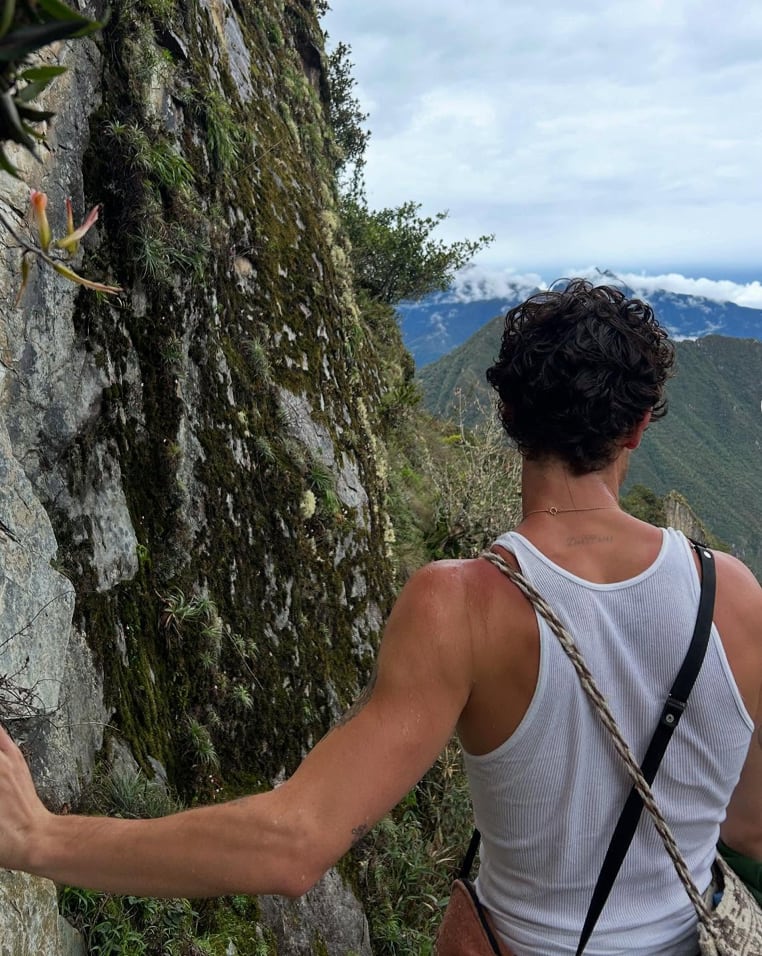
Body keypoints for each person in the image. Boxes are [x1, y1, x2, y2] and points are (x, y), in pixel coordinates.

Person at [0, 279, 759, 954]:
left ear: (506, 415)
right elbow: (749, 822)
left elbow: (295, 843)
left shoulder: (460, 604)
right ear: (636, 431)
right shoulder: (732, 592)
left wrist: (42, 836)